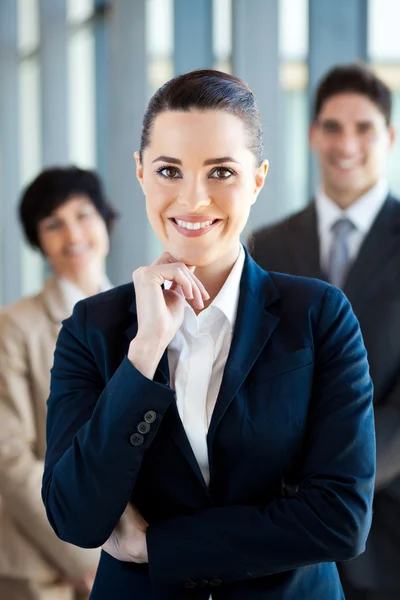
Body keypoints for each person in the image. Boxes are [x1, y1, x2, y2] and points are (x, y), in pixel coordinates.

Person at [42, 70, 375, 600]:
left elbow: (340, 518)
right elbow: (75, 517)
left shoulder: (318, 316)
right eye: (169, 170)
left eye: (220, 171)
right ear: (141, 174)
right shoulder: (92, 329)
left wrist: (159, 545)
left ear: (258, 178)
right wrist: (145, 351)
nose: (193, 200)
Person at [251, 63, 400, 600]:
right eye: (333, 127)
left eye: (364, 128)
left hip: (389, 525)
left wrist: (339, 478)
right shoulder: (266, 247)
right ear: (313, 134)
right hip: (288, 528)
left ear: (388, 136)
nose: (347, 144)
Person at [0, 166, 116, 600]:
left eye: (84, 215)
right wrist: (83, 556)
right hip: (46, 571)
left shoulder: (145, 313)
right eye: (53, 224)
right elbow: (8, 456)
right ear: (38, 240)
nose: (73, 235)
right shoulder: (14, 328)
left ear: (106, 220)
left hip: (139, 558)